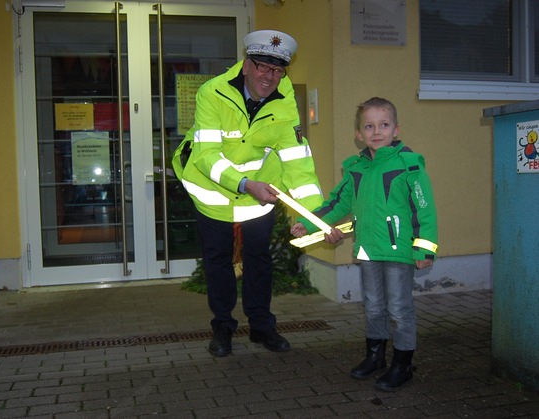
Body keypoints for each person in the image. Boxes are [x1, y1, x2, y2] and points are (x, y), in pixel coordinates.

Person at [172, 30, 324, 357]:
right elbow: (207, 155)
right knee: (218, 261)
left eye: (277, 70)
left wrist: (320, 221)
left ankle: (261, 327)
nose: (269, 77)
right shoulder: (212, 94)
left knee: (259, 260)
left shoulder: (285, 104)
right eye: (262, 67)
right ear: (246, 65)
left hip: (259, 196)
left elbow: (298, 165)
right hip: (214, 191)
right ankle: (223, 328)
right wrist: (244, 184)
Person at [291, 97, 438, 391]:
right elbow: (334, 203)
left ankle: (403, 364)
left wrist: (424, 248)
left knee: (399, 308)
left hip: (399, 252)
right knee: (372, 306)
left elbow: (424, 209)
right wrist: (307, 223)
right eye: (369, 126)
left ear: (396, 129)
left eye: (384, 125)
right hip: (368, 250)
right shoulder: (356, 169)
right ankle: (375, 357)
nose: (377, 131)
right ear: (359, 134)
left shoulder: (408, 165)